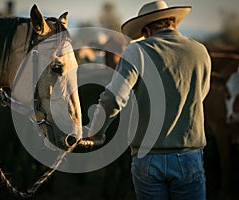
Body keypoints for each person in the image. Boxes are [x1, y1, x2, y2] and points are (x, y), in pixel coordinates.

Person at [87, 1, 211, 200]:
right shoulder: (200, 51)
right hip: (189, 156)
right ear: (173, 22)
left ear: (146, 29)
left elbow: (113, 98)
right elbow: (201, 95)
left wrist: (96, 130)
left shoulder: (136, 51)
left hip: (148, 157)